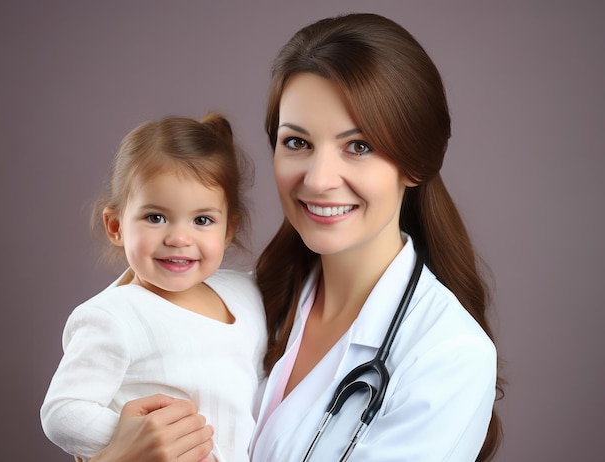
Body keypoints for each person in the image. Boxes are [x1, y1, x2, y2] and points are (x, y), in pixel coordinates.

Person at [86, 12, 503, 462]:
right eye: (297, 143)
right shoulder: (235, 301)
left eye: (358, 146)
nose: (319, 179)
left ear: (415, 164)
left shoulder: (447, 355)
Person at [40, 114, 267, 462]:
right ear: (116, 226)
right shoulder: (114, 316)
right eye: (155, 217)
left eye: (202, 220)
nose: (178, 238)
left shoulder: (246, 292)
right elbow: (63, 412)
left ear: (228, 229)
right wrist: (141, 441)